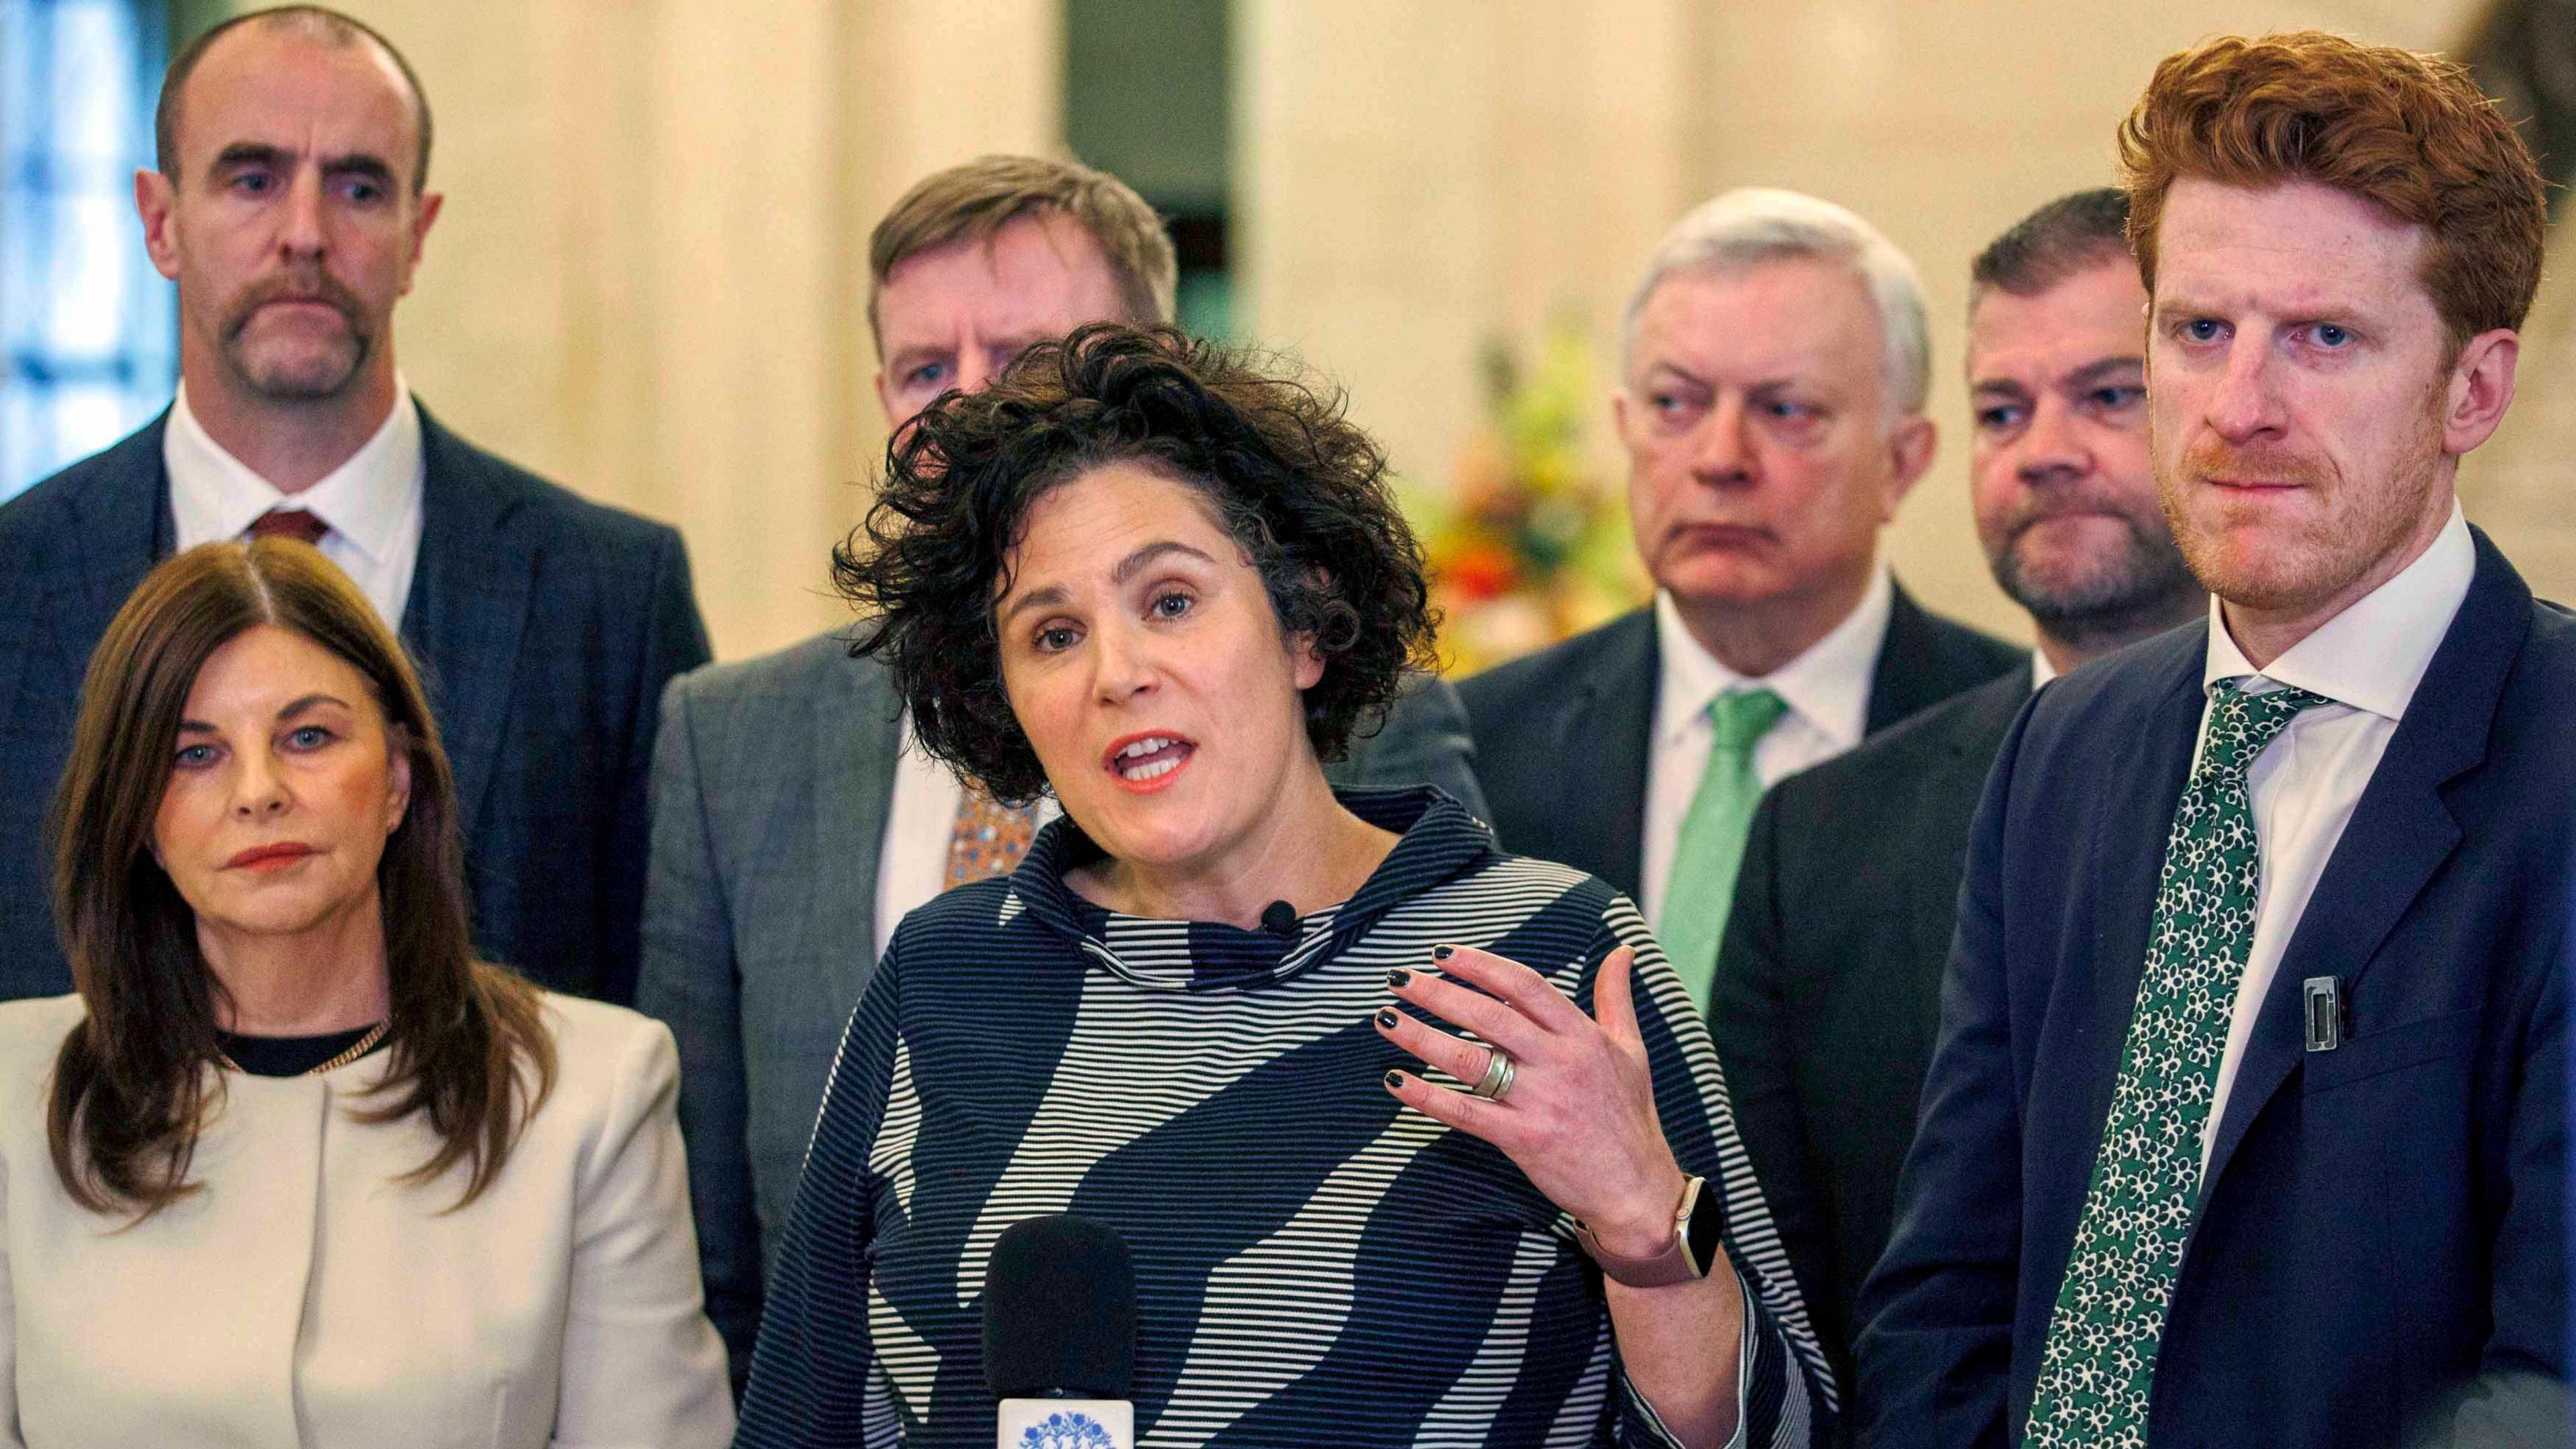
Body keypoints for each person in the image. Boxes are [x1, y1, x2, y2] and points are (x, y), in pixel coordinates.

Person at [733, 325, 1828, 1447]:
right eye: (1053, 634)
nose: (1118, 674)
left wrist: (1645, 1226)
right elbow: (798, 1419)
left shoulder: (1546, 952)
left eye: (1169, 601)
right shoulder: (946, 973)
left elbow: (1777, 1436)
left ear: (1303, 626)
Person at [635, 155, 1487, 1381]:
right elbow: (705, 1233)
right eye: (928, 370)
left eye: (1026, 358)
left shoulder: (1343, 702)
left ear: (1149, 373)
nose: (966, 412)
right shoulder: (733, 737)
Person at [1858, 33, 2571, 1448]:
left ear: (2474, 391)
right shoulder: (2062, 753)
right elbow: (1949, 1295)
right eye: (2199, 332)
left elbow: (2555, 1380)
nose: (2241, 407)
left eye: (2324, 338)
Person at [0, 5, 710, 1006]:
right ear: (160, 222)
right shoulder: (14, 579)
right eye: (252, 179)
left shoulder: (611, 598)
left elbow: (675, 1009)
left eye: (358, 187)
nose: (305, 234)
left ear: (417, 236)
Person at [0, 539, 731, 1448]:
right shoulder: (13, 1095)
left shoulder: (592, 1092)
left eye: (308, 737)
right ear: (137, 818)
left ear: (397, 779)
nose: (260, 792)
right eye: (195, 755)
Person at [1707, 189, 2202, 1428]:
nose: (2044, 449)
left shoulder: (2348, 771)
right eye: (2002, 410)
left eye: (2109, 395)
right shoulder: (1818, 840)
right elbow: (1773, 1294)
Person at [1456, 189, 2021, 1018]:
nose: (1721, 458)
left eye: (1785, 410)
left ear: (1900, 463)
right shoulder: (1481, 745)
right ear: (1625, 427)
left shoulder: (2027, 746)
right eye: (1675, 405)